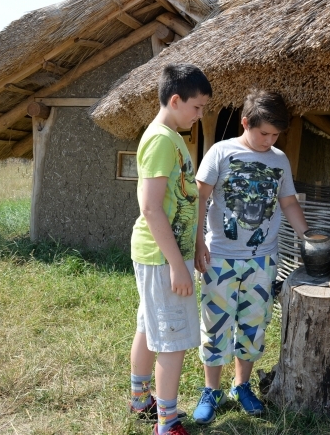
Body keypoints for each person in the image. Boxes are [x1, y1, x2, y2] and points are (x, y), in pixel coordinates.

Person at [191, 89, 309, 424]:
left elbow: (288, 202)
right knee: (216, 324)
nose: (269, 140)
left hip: (262, 261)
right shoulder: (220, 152)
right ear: (246, 123)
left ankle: (241, 386)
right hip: (220, 257)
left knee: (254, 325)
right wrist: (199, 243)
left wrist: (308, 237)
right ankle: (210, 390)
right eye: (264, 133)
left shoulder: (279, 159)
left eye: (275, 134)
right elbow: (200, 198)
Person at [128, 63, 212, 435]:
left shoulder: (169, 136)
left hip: (159, 253)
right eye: (196, 108)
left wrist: (195, 243)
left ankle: (139, 398)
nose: (200, 115)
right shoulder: (162, 139)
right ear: (175, 100)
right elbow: (151, 207)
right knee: (173, 340)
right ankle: (168, 421)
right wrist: (178, 265)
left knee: (149, 328)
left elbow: (184, 199)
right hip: (163, 257)